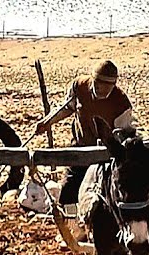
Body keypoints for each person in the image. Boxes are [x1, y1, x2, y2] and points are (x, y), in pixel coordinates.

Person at [34, 60, 136, 214]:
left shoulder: (121, 103)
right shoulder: (79, 86)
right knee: (68, 192)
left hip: (106, 157)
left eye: (110, 87)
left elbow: (123, 135)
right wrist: (47, 122)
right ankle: (72, 225)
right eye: (101, 85)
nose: (104, 91)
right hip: (80, 149)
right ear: (94, 81)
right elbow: (67, 108)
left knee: (104, 196)